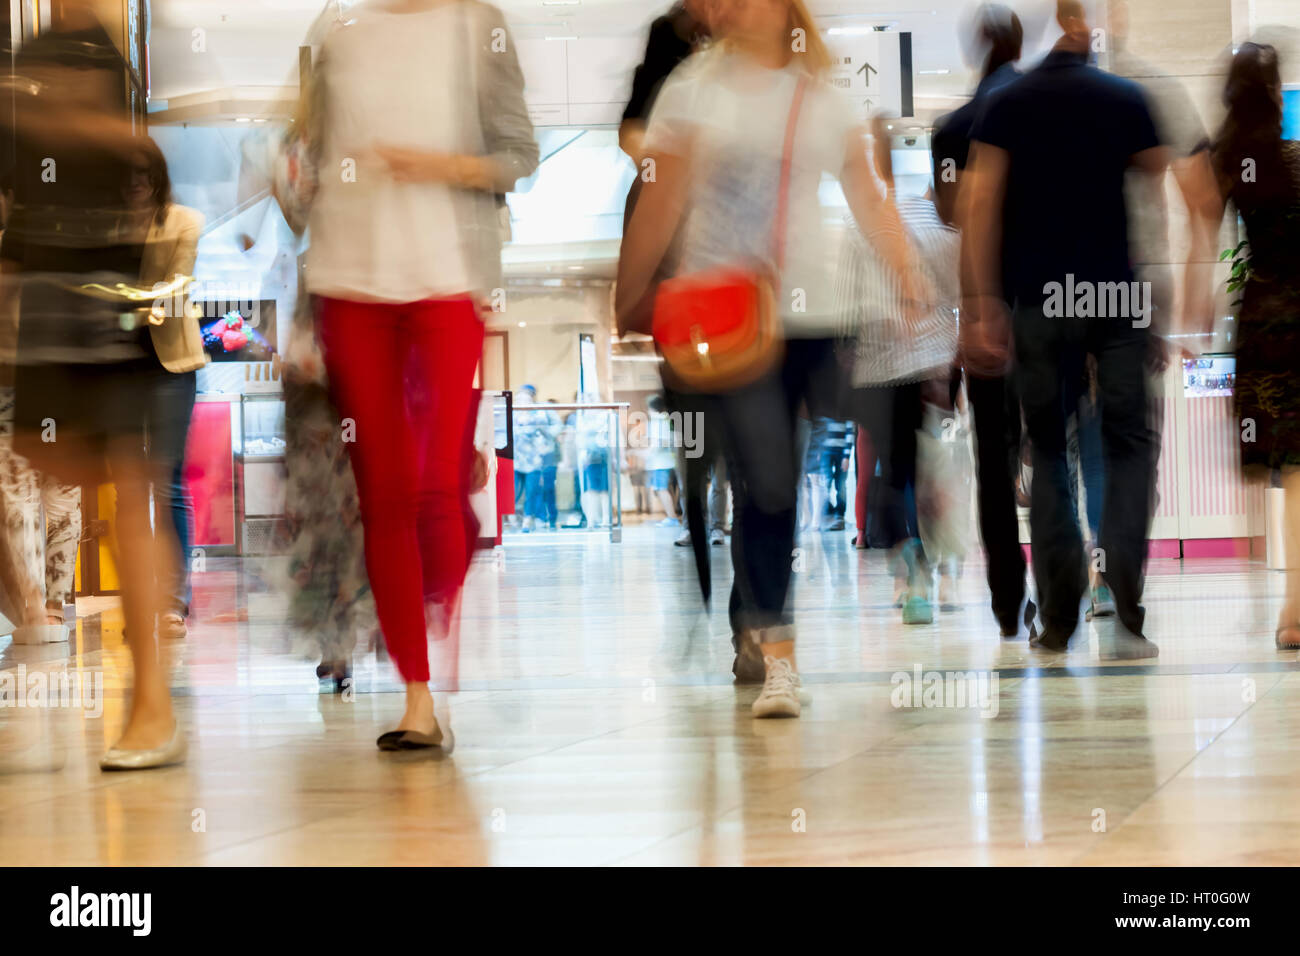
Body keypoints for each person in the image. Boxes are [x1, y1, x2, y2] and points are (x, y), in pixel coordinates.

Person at [617, 0, 928, 717]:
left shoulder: (821, 95)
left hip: (811, 314)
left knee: (787, 472)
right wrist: (631, 290)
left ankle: (848, 564)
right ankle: (777, 654)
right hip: (727, 318)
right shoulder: (692, 89)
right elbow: (661, 201)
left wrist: (908, 273)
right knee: (770, 483)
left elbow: (867, 196)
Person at [305, 0, 537, 749]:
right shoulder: (333, 29)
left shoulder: (478, 25)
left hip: (447, 278)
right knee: (385, 493)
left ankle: (436, 585)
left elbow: (518, 152)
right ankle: (416, 697)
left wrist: (437, 166)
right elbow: (304, 156)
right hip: (348, 283)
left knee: (439, 487)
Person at [3, 1, 189, 769]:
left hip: (118, 321)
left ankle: (152, 706)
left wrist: (58, 116)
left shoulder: (105, 57)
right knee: (57, 465)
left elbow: (140, 159)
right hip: (48, 320)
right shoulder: (38, 53)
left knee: (130, 494)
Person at [961, 0, 1169, 657]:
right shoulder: (1126, 99)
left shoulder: (1009, 103)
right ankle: (1125, 596)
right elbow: (1153, 205)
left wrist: (984, 305)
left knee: (1047, 447)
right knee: (1129, 441)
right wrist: (1156, 301)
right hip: (1115, 296)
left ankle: (1057, 617)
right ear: (1092, 24)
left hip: (1039, 302)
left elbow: (979, 210)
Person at [931, 2, 1033, 638]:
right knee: (1051, 448)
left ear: (976, 50)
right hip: (1051, 303)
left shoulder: (951, 129)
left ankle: (1006, 599)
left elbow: (949, 216)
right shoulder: (1046, 110)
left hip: (982, 308)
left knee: (993, 461)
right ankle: (1063, 582)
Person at [1198, 43, 1300, 648]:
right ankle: (1295, 609)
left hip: (1259, 325)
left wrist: (1194, 316)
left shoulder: (1226, 163)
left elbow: (1203, 249)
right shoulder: (1295, 161)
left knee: (1257, 467)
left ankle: (1257, 596)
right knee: (1299, 474)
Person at [124, 140, 207, 642]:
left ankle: (175, 603)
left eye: (143, 173)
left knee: (167, 483)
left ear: (157, 177)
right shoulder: (105, 226)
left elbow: (174, 289)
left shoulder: (184, 221)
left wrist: (123, 302)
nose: (134, 182)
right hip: (118, 370)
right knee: (129, 489)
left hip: (170, 365)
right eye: (126, 174)